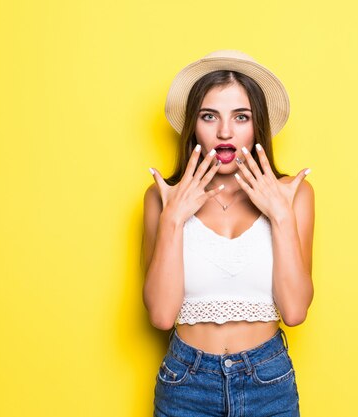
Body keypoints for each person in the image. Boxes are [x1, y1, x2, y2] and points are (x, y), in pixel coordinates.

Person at [142, 50, 314, 417]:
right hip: (185, 384)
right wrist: (173, 218)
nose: (224, 131)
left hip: (268, 382)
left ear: (257, 126)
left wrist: (281, 217)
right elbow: (160, 315)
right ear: (194, 125)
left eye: (241, 117)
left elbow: (295, 310)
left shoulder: (292, 195)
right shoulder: (163, 198)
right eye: (209, 116)